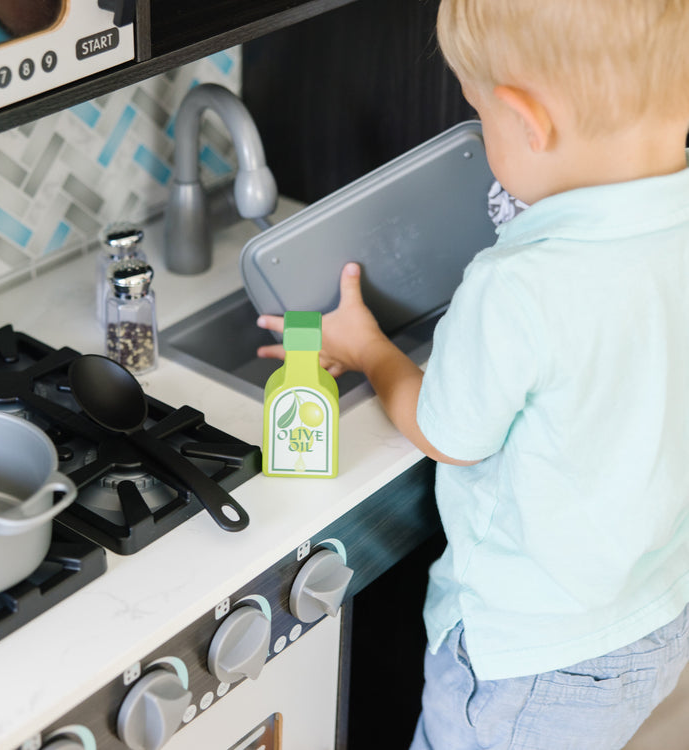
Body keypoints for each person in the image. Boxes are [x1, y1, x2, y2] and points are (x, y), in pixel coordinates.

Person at [256, 0, 689, 747]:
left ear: (526, 119)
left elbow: (447, 433)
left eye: (480, 116)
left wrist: (369, 351)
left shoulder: (518, 284)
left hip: (529, 659)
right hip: (650, 619)